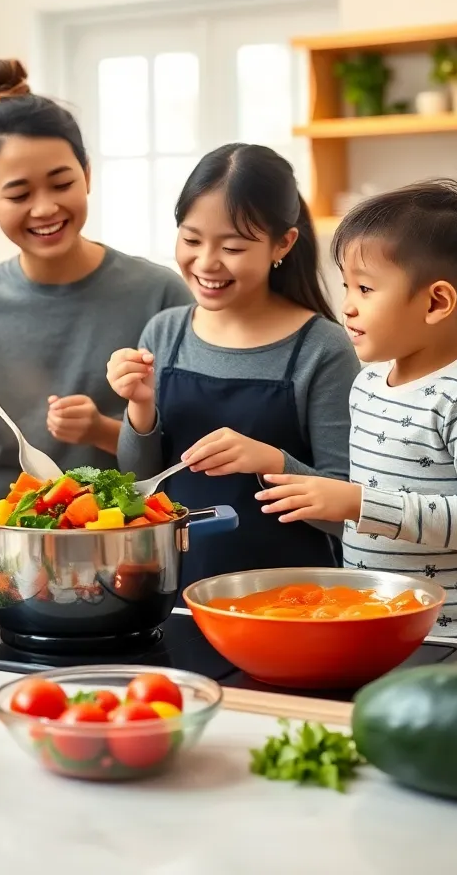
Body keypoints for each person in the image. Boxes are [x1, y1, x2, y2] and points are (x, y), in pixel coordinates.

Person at [0, 59, 192, 509]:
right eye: (19, 195)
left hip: (128, 531)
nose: (44, 209)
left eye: (61, 183)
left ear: (88, 176)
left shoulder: (161, 292)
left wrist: (101, 429)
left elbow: (183, 449)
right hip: (11, 535)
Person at [257, 180, 457, 644]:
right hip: (383, 624)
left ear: (436, 302)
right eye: (347, 285)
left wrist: (360, 504)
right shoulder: (366, 384)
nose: (347, 306)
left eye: (365, 288)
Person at [108, 143, 360, 590]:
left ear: (283, 243)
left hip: (291, 601)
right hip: (176, 592)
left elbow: (349, 513)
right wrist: (140, 406)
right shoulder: (165, 333)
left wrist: (270, 460)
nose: (206, 262)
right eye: (190, 239)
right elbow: (139, 483)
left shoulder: (321, 348)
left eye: (233, 246)